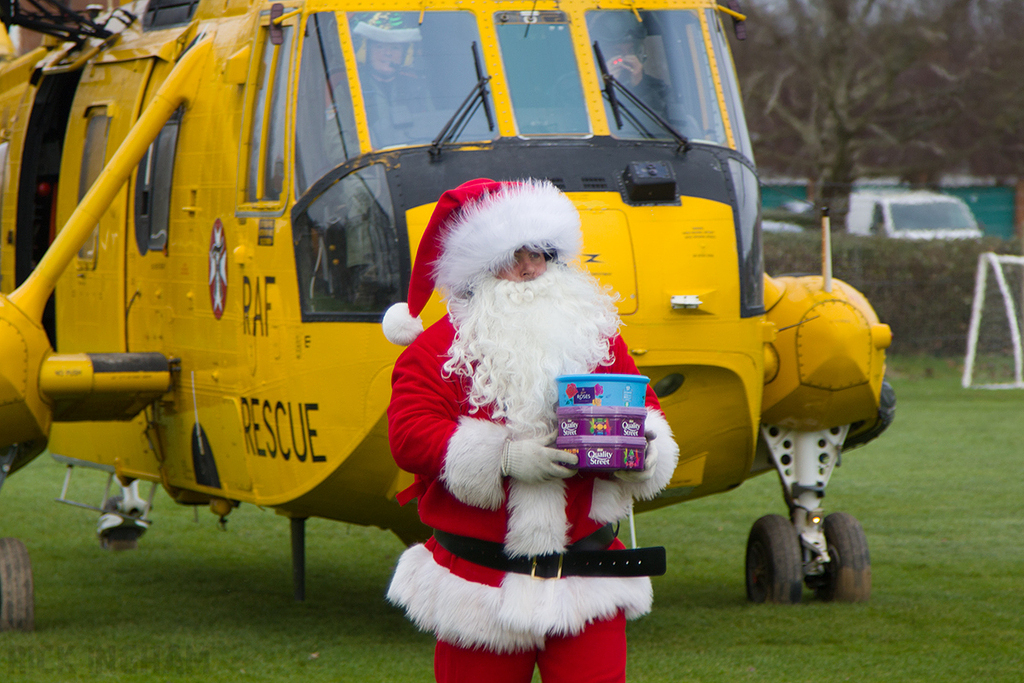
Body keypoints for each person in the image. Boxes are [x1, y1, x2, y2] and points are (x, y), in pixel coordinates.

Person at [381, 178, 680, 683]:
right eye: (514, 254)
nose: (531, 268)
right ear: (477, 266)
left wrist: (647, 448)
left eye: (541, 252)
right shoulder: (435, 350)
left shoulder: (594, 335)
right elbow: (408, 433)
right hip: (480, 586)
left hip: (589, 579)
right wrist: (501, 457)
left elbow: (644, 407)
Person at [351, 12, 432, 148]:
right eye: (379, 46)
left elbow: (433, 126)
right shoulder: (349, 88)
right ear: (367, 51)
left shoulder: (417, 87)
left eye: (395, 47)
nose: (388, 53)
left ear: (404, 54)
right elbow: (338, 144)